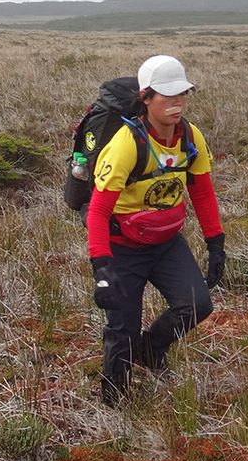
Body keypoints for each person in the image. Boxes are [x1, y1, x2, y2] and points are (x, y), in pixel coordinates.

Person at [86, 55, 227, 406]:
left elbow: (203, 191)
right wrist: (102, 269)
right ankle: (114, 403)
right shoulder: (125, 144)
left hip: (166, 243)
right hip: (123, 247)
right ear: (146, 98)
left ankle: (150, 350)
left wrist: (216, 242)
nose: (177, 103)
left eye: (183, 94)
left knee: (196, 304)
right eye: (168, 96)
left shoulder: (191, 137)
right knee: (122, 330)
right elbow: (98, 211)